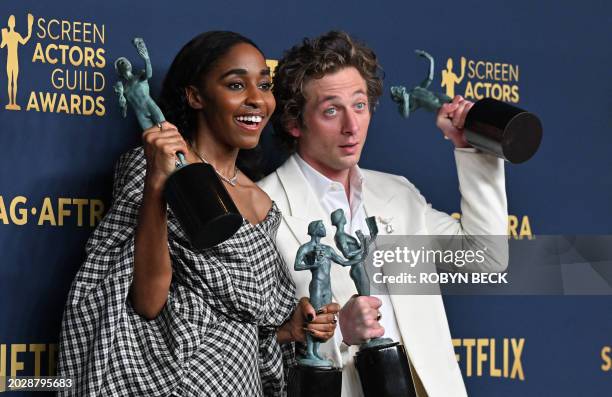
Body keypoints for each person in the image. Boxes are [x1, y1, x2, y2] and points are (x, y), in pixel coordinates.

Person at [56, 31, 338, 397]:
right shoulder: (152, 168)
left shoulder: (263, 202)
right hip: (180, 382)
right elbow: (147, 301)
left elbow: (241, 322)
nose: (256, 99)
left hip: (240, 383)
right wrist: (159, 183)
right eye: (236, 85)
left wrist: (291, 330)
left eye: (264, 85)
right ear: (195, 96)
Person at [258, 31, 508, 397]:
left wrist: (472, 151)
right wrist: (337, 333)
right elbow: (246, 347)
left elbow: (486, 258)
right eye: (331, 110)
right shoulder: (263, 206)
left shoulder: (397, 193)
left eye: (359, 106)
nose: (352, 126)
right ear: (295, 122)